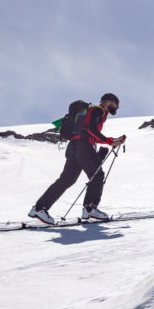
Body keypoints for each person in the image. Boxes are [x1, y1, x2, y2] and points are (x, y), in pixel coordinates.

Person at [28, 94, 126, 225]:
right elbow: (91, 129)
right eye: (116, 104)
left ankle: (39, 208)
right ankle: (90, 208)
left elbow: (88, 131)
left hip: (74, 146)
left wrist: (111, 140)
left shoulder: (94, 111)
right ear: (109, 101)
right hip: (83, 146)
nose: (117, 107)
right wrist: (109, 141)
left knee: (67, 179)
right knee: (97, 174)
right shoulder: (99, 110)